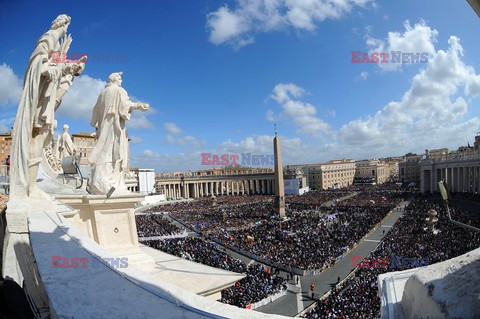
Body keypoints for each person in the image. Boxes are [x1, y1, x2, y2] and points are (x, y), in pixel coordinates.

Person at [10, 14, 85, 199]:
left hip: (49, 99)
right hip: (42, 100)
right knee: (37, 139)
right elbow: (36, 63)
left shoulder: (57, 44)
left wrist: (73, 67)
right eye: (67, 24)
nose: (67, 28)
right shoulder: (49, 37)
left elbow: (59, 66)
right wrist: (46, 69)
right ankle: (30, 187)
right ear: (63, 24)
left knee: (42, 137)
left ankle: (31, 185)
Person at [88, 72, 149, 195]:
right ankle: (112, 183)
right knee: (115, 153)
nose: (121, 81)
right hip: (115, 127)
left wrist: (96, 123)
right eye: (120, 79)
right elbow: (125, 106)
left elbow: (94, 113)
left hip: (103, 127)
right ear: (115, 80)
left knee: (104, 151)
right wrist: (138, 105)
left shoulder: (102, 93)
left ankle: (99, 180)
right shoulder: (119, 90)